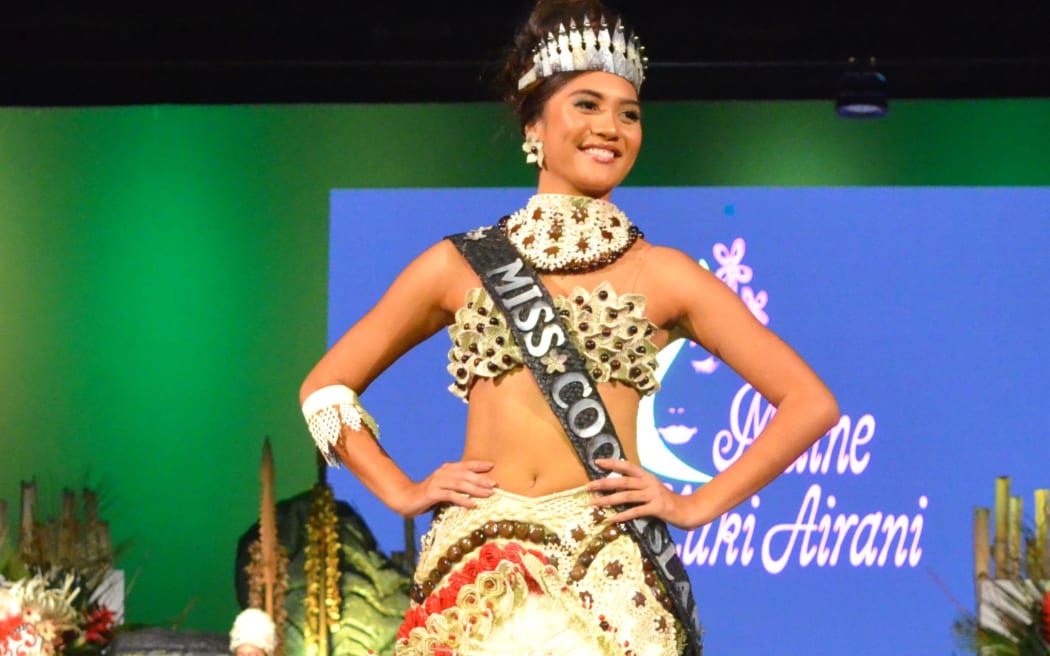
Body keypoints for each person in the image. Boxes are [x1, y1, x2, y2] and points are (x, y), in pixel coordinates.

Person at [299, 1, 839, 654]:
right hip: (477, 574)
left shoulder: (664, 275)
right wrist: (402, 490)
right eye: (586, 104)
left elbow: (810, 403)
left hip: (606, 573)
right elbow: (325, 391)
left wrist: (694, 505)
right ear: (534, 123)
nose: (610, 126)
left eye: (628, 112)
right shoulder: (459, 265)